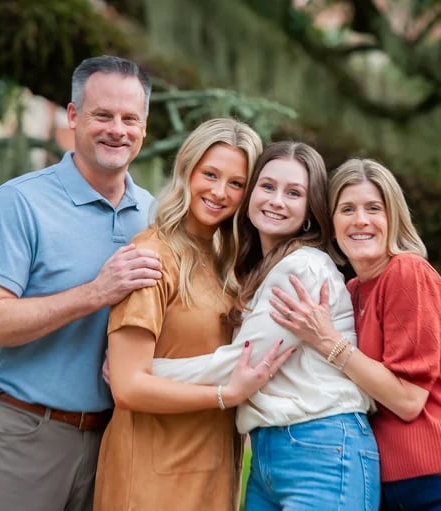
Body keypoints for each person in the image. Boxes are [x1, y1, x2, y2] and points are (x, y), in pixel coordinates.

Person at [0, 55, 163, 511]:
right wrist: (96, 293)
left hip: (112, 442)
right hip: (20, 436)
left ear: (144, 127)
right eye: (102, 115)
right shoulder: (20, 202)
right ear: (72, 116)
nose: (117, 130)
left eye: (130, 119)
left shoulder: (155, 217)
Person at [151, 141, 380, 511]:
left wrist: (146, 372)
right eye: (268, 186)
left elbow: (244, 362)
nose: (276, 200)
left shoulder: (303, 267)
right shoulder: (262, 269)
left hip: (321, 447)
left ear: (309, 210)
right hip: (270, 452)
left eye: (293, 193)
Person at [270, 158, 441, 511]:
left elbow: (408, 400)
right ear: (331, 223)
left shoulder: (407, 272)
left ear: (393, 218)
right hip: (385, 482)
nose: (360, 220)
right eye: (347, 209)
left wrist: (329, 341)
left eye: (373, 208)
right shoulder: (352, 291)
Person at [93, 119, 294, 511]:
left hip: (215, 469)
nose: (220, 192)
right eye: (210, 175)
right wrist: (226, 394)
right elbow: (128, 386)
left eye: (236, 183)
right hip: (152, 475)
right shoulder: (151, 255)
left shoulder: (229, 263)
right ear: (187, 170)